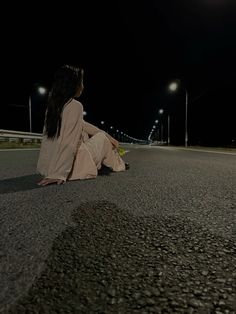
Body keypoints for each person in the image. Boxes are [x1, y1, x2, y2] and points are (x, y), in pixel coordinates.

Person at [37, 65, 129, 186]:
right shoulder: (75, 106)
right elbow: (69, 143)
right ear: (72, 84)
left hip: (50, 167)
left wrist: (50, 170)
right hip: (74, 168)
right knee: (102, 138)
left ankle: (113, 161)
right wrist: (59, 173)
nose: (83, 86)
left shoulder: (53, 107)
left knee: (96, 134)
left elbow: (48, 140)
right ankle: (118, 164)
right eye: (81, 82)